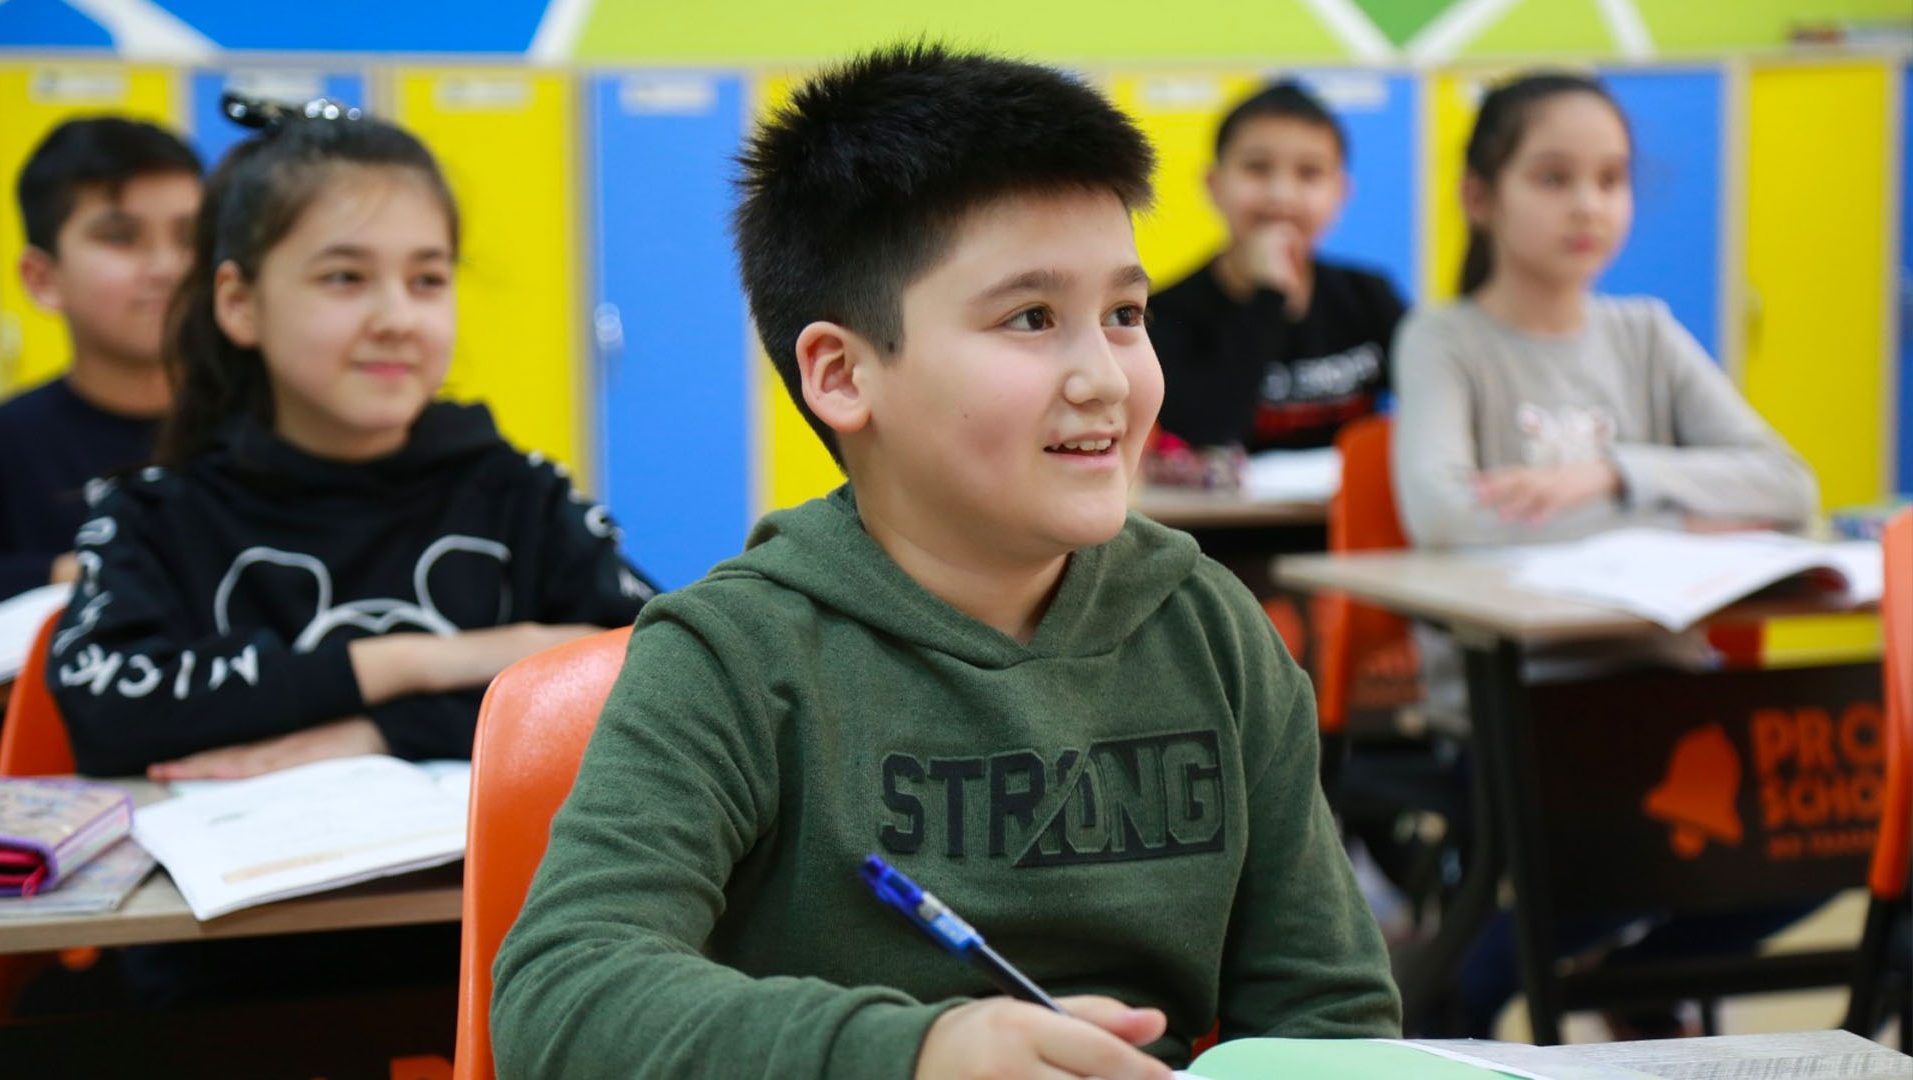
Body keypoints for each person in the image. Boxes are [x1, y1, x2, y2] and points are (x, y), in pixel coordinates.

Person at [492, 45, 1400, 1080]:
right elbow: (563, 996)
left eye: (1125, 314)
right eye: (1031, 318)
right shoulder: (735, 656)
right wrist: (916, 1052)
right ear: (843, 375)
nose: (1106, 378)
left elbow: (1330, 1011)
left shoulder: (1211, 629)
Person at [42, 95, 657, 1008]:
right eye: (344, 278)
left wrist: (377, 731)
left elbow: (657, 670)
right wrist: (429, 659)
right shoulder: (154, 512)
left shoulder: (518, 492)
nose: (397, 317)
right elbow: (105, 703)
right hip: (221, 980)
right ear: (239, 302)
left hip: (484, 965)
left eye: (427, 279)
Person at [1388, 70, 1818, 1039]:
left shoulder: (1646, 334)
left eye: (1611, 178)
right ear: (1479, 196)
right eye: (1554, 177)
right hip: (1521, 704)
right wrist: (1677, 511)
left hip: (1667, 690)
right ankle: (1470, 979)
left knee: (1830, 828)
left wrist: (1613, 474)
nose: (1589, 204)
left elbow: (1788, 484)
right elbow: (1445, 516)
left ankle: (1636, 979)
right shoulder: (1446, 339)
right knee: (1634, 837)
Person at [0, 117, 201, 605]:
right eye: (121, 237)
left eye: (190, 237)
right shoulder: (6, 444)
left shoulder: (271, 429)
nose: (167, 267)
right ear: (42, 277)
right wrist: (63, 574)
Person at [1149, 80, 1404, 457]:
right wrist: (1268, 297)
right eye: (1257, 168)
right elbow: (1206, 436)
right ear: (1214, 185)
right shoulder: (1168, 313)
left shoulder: (1369, 296)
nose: (1281, 194)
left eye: (1309, 173)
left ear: (1340, 192)